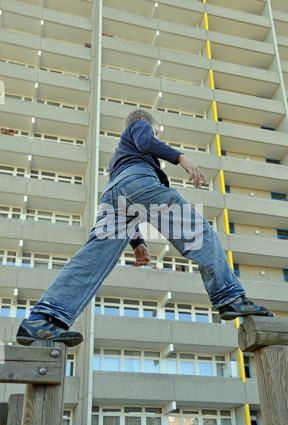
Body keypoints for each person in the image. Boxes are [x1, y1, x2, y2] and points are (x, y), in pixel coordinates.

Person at [16, 109, 270, 346]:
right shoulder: (141, 124)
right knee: (198, 232)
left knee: (92, 258)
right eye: (156, 133)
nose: (153, 137)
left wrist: (137, 243)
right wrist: (182, 158)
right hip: (138, 183)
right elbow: (146, 146)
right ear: (148, 125)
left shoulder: (118, 158)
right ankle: (230, 297)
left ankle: (41, 319)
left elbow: (125, 197)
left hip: (113, 196)